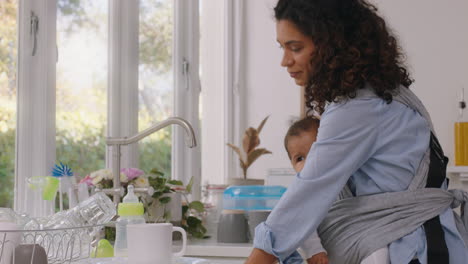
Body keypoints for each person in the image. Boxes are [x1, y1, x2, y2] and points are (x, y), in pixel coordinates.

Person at [245, 0, 468, 264]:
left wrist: (258, 258)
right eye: (282, 48)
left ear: (332, 45)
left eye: (296, 48)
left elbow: (310, 191)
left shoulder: (359, 107)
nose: (285, 61)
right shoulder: (384, 94)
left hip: (408, 250)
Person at [284, 117, 328, 264]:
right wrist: (314, 250)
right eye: (300, 158)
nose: (308, 162)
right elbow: (302, 220)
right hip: (322, 254)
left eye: (314, 152)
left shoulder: (339, 179)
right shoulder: (302, 190)